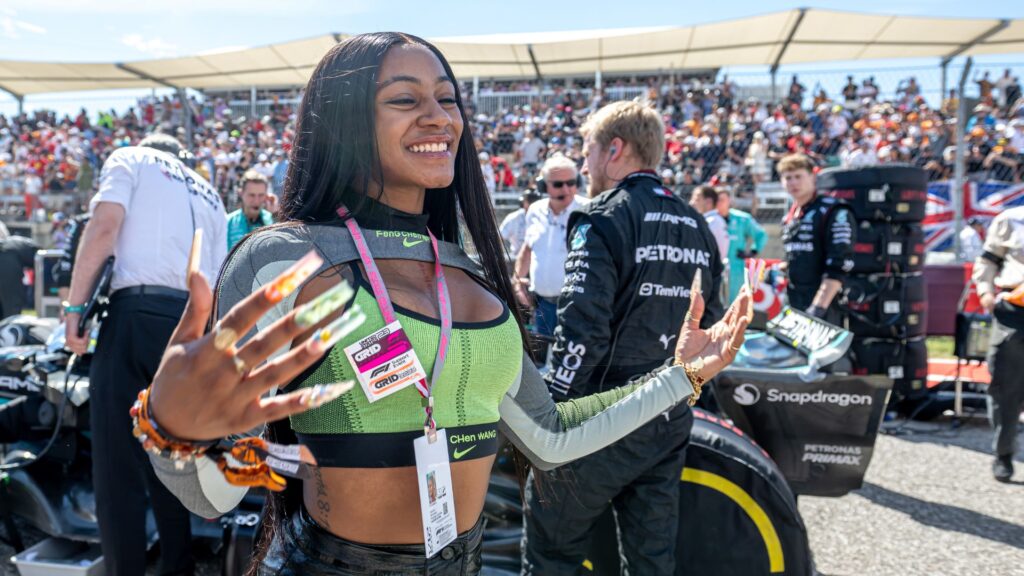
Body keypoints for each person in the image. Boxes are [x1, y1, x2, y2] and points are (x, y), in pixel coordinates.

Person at [143, 33, 751, 576]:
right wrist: (171, 429)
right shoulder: (284, 262)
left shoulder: (475, 276)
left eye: (447, 99)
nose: (439, 119)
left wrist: (683, 376)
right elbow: (212, 496)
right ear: (345, 121)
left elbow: (550, 436)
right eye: (405, 100)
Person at [523, 100, 726, 575]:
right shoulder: (697, 226)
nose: (586, 163)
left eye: (588, 150)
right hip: (669, 417)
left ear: (615, 149)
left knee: (552, 553)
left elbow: (581, 330)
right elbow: (711, 329)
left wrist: (552, 415)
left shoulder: (601, 217)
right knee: (651, 561)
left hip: (602, 419)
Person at [62, 134, 227, 576]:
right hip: (192, 327)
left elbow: (103, 228)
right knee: (171, 462)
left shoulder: (131, 158)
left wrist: (75, 308)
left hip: (136, 314)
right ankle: (178, 569)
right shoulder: (210, 193)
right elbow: (220, 278)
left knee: (119, 467)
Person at [513, 154, 587, 350]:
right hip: (542, 303)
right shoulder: (535, 210)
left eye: (571, 183)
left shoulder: (587, 210)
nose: (566, 189)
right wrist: (518, 280)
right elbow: (527, 248)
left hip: (575, 306)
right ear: (543, 187)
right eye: (558, 184)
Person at [973, 206, 1024, 482]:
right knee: (1006, 386)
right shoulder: (1011, 218)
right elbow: (988, 259)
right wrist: (986, 292)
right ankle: (1003, 453)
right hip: (1015, 309)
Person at [779, 153, 854, 322]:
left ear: (813, 176)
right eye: (788, 178)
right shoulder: (789, 216)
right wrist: (779, 270)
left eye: (798, 176)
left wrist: (818, 308)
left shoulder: (833, 210)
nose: (793, 182)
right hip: (793, 300)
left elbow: (840, 264)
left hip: (824, 304)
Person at [718, 189, 767, 303]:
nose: (719, 203)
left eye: (722, 200)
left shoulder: (742, 218)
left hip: (736, 266)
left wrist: (753, 251)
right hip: (715, 266)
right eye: (717, 200)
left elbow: (761, 234)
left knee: (735, 301)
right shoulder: (710, 219)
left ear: (729, 200)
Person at [226, 170, 275, 250]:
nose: (256, 200)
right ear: (241, 193)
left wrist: (275, 214)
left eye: (261, 195)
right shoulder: (228, 222)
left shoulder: (272, 220)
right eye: (251, 195)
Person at [689, 184, 729, 264]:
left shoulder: (712, 222)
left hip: (708, 271)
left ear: (708, 202)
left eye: (697, 199)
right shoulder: (713, 220)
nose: (691, 203)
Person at [499, 189, 541, 259]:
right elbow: (499, 237)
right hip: (517, 258)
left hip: (538, 260)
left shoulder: (545, 218)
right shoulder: (514, 218)